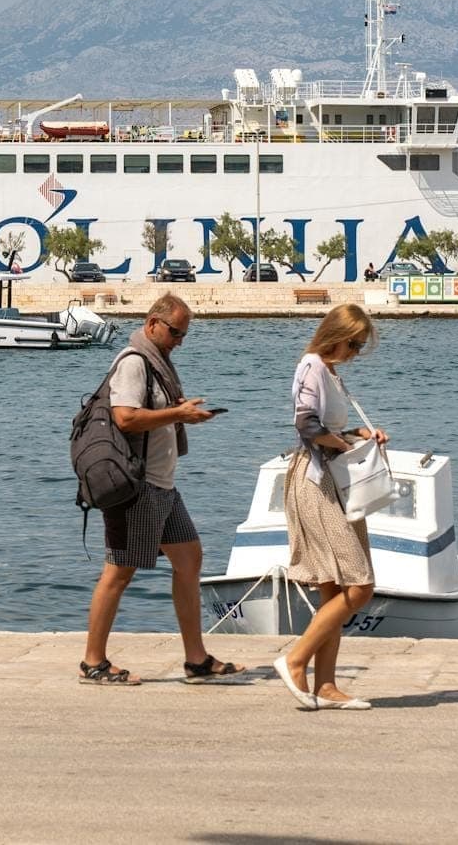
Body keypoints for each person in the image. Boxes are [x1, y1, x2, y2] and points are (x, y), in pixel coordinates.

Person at [80, 293, 237, 686]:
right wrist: (178, 413)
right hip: (137, 487)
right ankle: (93, 662)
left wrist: (185, 415)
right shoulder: (134, 362)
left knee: (189, 560)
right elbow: (127, 418)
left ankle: (196, 659)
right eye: (175, 332)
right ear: (153, 324)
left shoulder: (159, 365)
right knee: (118, 572)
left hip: (163, 486)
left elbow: (154, 416)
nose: (179, 340)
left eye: (184, 334)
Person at [274, 303, 389, 710]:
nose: (356, 352)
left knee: (334, 591)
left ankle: (325, 685)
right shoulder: (311, 365)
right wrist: (344, 445)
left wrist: (361, 434)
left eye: (360, 346)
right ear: (336, 336)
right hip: (316, 482)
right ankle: (295, 659)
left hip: (335, 482)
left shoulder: (331, 374)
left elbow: (330, 425)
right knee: (360, 587)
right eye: (354, 344)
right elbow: (305, 424)